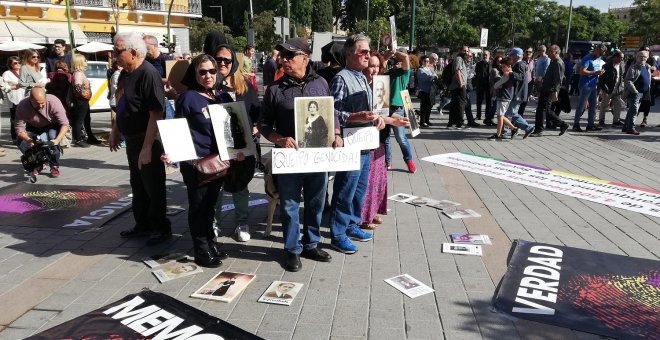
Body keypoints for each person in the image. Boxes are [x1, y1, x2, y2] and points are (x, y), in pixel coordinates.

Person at [257, 38, 335, 272]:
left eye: (289, 56)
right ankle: (292, 249)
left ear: (305, 58)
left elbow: (332, 114)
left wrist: (337, 133)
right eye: (282, 56)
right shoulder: (274, 89)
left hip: (317, 156)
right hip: (289, 158)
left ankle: (311, 243)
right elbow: (263, 125)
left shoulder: (321, 83)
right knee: (290, 204)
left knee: (315, 201)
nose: (284, 60)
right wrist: (279, 139)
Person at [329, 34, 406, 255]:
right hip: (351, 145)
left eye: (369, 51)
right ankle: (338, 234)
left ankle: (352, 225)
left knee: (358, 190)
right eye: (363, 51)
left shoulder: (362, 78)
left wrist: (380, 118)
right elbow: (332, 113)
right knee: (345, 190)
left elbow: (372, 112)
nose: (368, 55)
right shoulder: (341, 78)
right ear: (349, 54)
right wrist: (355, 117)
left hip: (366, 144)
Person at [162, 54, 229, 267]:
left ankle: (211, 243)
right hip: (196, 164)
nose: (208, 75)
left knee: (210, 206)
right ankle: (201, 250)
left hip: (217, 162)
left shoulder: (219, 96)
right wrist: (171, 152)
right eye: (202, 72)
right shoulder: (188, 97)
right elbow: (177, 127)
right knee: (198, 207)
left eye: (212, 71)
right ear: (195, 73)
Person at [109, 31, 172, 246]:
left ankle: (160, 228)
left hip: (148, 140)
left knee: (153, 187)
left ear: (133, 52)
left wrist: (147, 147)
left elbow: (156, 113)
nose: (114, 54)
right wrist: (116, 129)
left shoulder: (148, 74)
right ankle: (143, 224)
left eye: (118, 51)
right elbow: (123, 104)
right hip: (132, 140)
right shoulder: (127, 73)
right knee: (138, 185)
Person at [212, 41, 259, 243]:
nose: (222, 63)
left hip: (242, 146)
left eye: (226, 60)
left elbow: (257, 112)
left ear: (234, 62)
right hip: (216, 146)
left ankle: (242, 222)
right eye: (218, 59)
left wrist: (256, 129)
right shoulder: (210, 85)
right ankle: (214, 224)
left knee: (240, 186)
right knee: (216, 187)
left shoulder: (245, 86)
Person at [360, 55, 390, 230]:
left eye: (378, 66)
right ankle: (363, 217)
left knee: (378, 179)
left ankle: (373, 212)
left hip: (379, 136)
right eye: (372, 66)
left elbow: (384, 110)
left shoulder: (380, 85)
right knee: (367, 180)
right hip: (364, 138)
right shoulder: (360, 83)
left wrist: (392, 119)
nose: (375, 70)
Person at [14, 88, 69, 178]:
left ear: (46, 97)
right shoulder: (23, 105)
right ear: (30, 99)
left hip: (51, 124)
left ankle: (54, 165)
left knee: (51, 138)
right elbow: (19, 128)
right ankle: (38, 163)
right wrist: (28, 140)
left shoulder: (53, 101)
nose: (40, 106)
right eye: (36, 103)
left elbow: (64, 124)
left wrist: (57, 140)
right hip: (32, 125)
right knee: (21, 142)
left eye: (42, 103)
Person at [383, 49, 416, 173]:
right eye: (395, 60)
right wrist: (386, 57)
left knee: (400, 137)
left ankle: (409, 160)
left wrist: (394, 51)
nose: (396, 61)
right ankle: (387, 161)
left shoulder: (404, 73)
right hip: (384, 107)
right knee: (385, 138)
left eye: (398, 60)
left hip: (397, 107)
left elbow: (406, 58)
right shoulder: (388, 72)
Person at [531, 45, 569, 137]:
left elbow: (558, 79)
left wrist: (555, 91)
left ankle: (539, 130)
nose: (548, 52)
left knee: (541, 110)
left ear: (556, 52)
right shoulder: (553, 61)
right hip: (546, 88)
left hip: (549, 90)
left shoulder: (558, 63)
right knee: (546, 110)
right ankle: (562, 124)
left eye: (550, 51)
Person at [501, 48, 535, 139]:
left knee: (509, 114)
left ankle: (505, 132)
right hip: (518, 93)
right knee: (513, 114)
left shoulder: (520, 64)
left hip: (518, 94)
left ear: (516, 56)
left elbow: (520, 77)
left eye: (512, 55)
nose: (510, 57)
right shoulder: (519, 64)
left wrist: (510, 73)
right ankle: (528, 127)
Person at [572, 44, 607, 132]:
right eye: (600, 53)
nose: (601, 55)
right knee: (582, 106)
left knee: (593, 106)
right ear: (596, 50)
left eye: (602, 54)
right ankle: (576, 124)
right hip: (585, 85)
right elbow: (582, 71)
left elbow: (597, 70)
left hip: (593, 85)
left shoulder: (598, 58)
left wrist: (601, 72)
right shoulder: (588, 58)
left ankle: (590, 125)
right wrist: (595, 72)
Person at [71, 54, 100, 147]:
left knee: (87, 119)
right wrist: (87, 93)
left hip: (83, 100)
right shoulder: (78, 74)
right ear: (79, 62)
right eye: (84, 60)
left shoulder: (79, 73)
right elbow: (78, 87)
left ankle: (90, 137)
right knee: (79, 120)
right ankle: (78, 139)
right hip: (81, 100)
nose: (86, 62)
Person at [487, 57, 517, 140]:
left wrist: (498, 85)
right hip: (504, 97)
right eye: (502, 66)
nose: (502, 68)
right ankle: (513, 128)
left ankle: (498, 134)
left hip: (504, 97)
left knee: (500, 116)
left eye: (504, 66)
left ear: (509, 66)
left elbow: (496, 85)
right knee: (500, 116)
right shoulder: (509, 74)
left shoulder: (507, 74)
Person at [622, 50, 651, 135]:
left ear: (647, 58)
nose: (642, 58)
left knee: (632, 110)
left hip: (643, 93)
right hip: (634, 93)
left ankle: (625, 127)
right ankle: (631, 128)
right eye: (640, 56)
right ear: (636, 57)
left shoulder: (647, 67)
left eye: (644, 57)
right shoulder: (633, 67)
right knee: (634, 111)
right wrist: (635, 91)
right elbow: (627, 80)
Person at [597, 50, 625, 127]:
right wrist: (605, 89)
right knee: (604, 105)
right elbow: (601, 79)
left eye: (623, 58)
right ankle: (601, 120)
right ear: (615, 57)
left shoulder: (622, 65)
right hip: (608, 89)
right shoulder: (607, 66)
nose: (622, 59)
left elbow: (622, 76)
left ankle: (616, 121)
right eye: (621, 57)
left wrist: (622, 87)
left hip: (618, 89)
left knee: (617, 105)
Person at [3, 56, 25, 141]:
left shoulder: (24, 71)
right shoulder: (7, 73)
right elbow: (4, 87)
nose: (18, 64)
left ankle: (25, 136)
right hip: (14, 99)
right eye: (15, 63)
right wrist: (14, 86)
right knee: (15, 119)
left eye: (19, 62)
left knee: (26, 118)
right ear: (10, 64)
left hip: (25, 97)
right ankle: (15, 138)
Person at [416, 55, 437, 127]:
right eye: (425, 61)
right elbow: (424, 78)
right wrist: (431, 77)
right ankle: (422, 121)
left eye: (428, 61)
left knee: (430, 106)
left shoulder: (430, 69)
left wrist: (432, 77)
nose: (426, 62)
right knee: (424, 107)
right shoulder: (420, 70)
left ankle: (427, 120)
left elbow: (435, 76)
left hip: (431, 90)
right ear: (421, 61)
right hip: (423, 90)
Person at [474, 51, 492, 122]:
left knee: (488, 101)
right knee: (479, 101)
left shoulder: (491, 64)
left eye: (486, 55)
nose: (485, 56)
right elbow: (476, 74)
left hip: (489, 85)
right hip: (480, 85)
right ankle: (478, 115)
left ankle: (487, 116)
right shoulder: (478, 64)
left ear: (489, 55)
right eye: (483, 55)